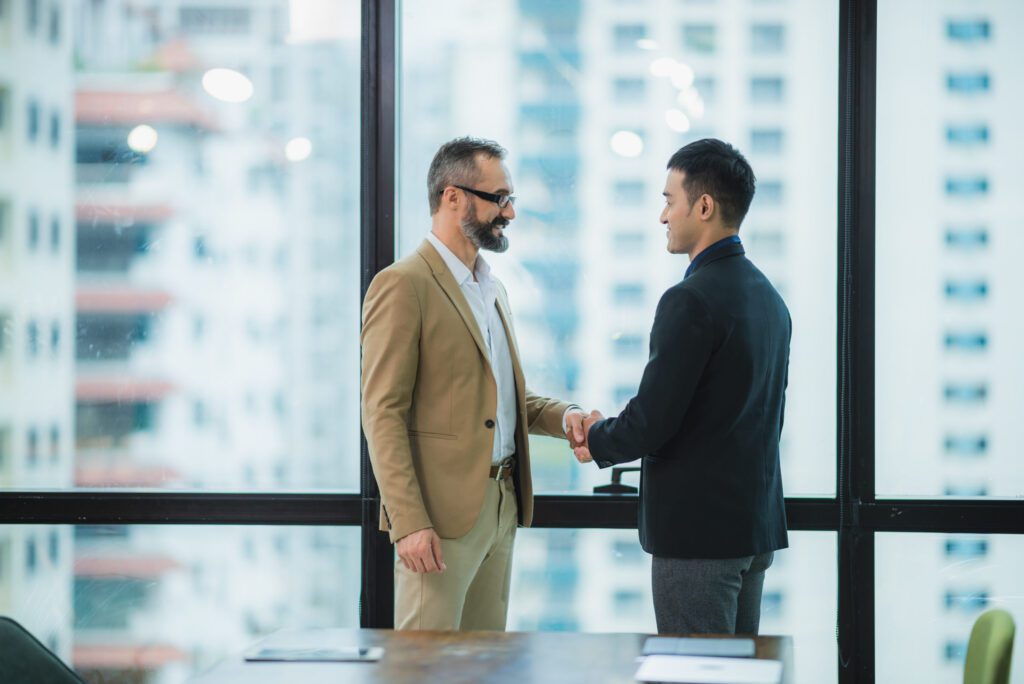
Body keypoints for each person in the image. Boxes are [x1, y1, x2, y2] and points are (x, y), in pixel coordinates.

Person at [361, 136, 588, 631]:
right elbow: (382, 414)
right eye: (498, 198)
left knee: (485, 667)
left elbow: (504, 400)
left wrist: (565, 415)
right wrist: (410, 522)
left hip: (501, 506)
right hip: (438, 519)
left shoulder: (493, 289)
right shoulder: (403, 285)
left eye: (511, 199)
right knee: (426, 670)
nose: (509, 213)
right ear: (452, 196)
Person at [575, 138, 791, 636]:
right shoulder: (769, 299)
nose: (663, 216)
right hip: (749, 530)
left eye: (669, 200)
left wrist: (598, 437)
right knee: (734, 672)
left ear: (705, 206)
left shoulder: (690, 300)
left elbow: (654, 419)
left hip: (698, 540)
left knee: (693, 670)